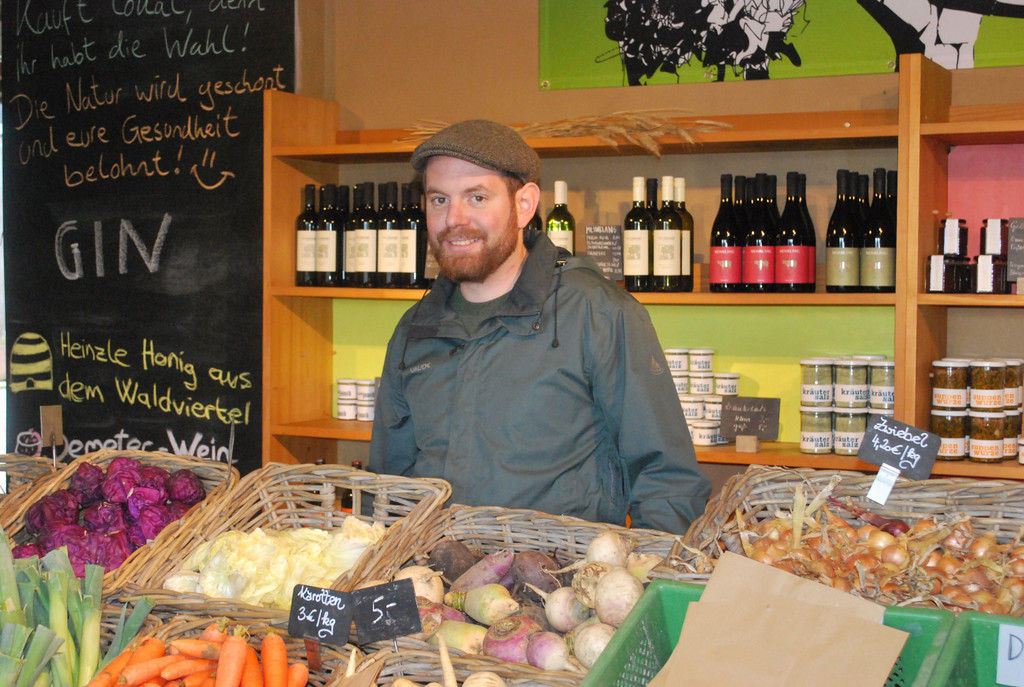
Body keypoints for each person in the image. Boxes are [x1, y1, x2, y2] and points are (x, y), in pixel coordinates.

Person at [368, 119, 711, 534]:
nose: (454, 218)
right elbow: (387, 488)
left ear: (525, 204)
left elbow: (667, 480)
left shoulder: (595, 312)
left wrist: (654, 570)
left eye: (477, 197)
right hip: (436, 570)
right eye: (439, 199)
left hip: (563, 570)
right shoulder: (415, 329)